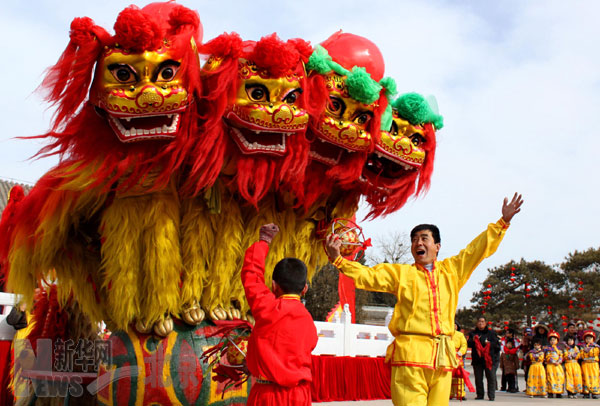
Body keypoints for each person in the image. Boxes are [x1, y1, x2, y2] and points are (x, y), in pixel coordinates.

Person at [324, 193, 524, 406]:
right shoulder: (401, 274)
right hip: (410, 357)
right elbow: (368, 276)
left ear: (437, 246)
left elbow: (477, 250)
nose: (418, 243)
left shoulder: (452, 271)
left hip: (442, 360)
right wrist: (339, 260)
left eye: (424, 238)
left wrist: (503, 223)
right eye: (414, 239)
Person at [241, 223, 318, 406]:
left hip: (267, 395)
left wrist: (264, 241)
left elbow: (252, 274)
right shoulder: (308, 321)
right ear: (305, 289)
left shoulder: (267, 307)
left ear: (274, 286)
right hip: (300, 396)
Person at [468, 316, 500, 400]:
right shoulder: (473, 333)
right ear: (477, 323)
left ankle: (491, 395)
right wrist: (475, 341)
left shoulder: (491, 333)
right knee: (478, 378)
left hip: (488, 359)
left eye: (482, 321)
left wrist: (489, 344)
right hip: (477, 359)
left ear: (486, 323)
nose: (481, 323)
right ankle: (480, 395)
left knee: (491, 378)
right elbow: (468, 344)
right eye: (479, 321)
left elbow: (497, 346)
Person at [450, 322, 469, 400]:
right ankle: (449, 393)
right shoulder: (446, 334)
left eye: (455, 325)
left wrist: (461, 351)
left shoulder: (460, 335)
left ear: (457, 327)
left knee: (459, 375)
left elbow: (464, 344)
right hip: (448, 356)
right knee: (448, 376)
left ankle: (460, 393)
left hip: (457, 356)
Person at [580, 330, 600, 399]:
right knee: (586, 378)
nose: (588, 340)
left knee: (594, 377)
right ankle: (586, 392)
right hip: (586, 364)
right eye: (587, 338)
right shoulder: (583, 347)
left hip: (594, 364)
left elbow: (596, 354)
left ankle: (595, 392)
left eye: (590, 338)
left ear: (593, 339)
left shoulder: (596, 347)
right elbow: (581, 355)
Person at [544, 331, 564, 398]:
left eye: (554, 340)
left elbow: (561, 356)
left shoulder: (559, 349)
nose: (553, 341)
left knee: (559, 378)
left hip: (558, 365)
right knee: (550, 378)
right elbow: (547, 356)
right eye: (551, 340)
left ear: (557, 340)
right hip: (551, 365)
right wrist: (553, 361)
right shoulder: (548, 349)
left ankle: (559, 392)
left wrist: (559, 361)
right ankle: (550, 392)